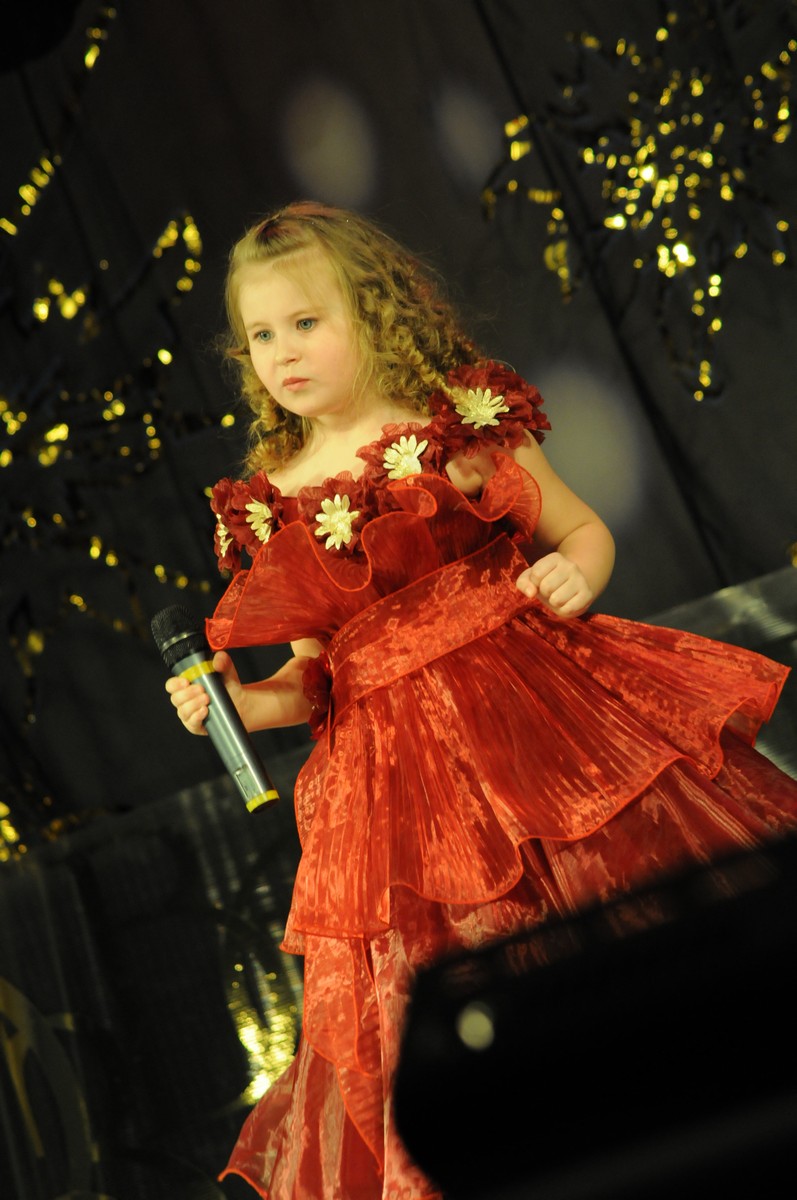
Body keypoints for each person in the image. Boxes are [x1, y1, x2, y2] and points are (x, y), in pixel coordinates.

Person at [166, 200, 797, 1200]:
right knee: (473, 980)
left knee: (627, 932)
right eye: (261, 335)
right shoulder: (273, 499)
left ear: (372, 313)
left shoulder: (457, 425)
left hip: (542, 721)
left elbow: (579, 531)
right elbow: (313, 677)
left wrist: (574, 574)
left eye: (306, 322)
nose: (282, 352)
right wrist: (242, 708)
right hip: (402, 796)